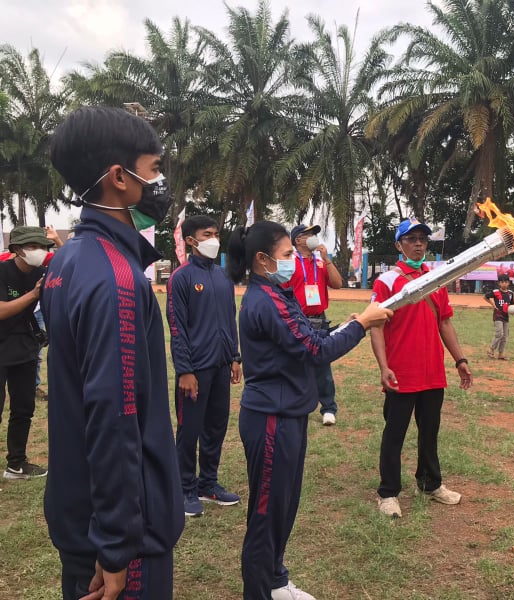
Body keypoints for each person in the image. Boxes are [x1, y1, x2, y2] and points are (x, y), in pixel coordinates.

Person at [42, 106, 184, 599]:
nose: (161, 181)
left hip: (81, 516)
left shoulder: (67, 261)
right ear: (120, 178)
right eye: (154, 168)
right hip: (121, 541)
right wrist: (118, 544)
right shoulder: (116, 279)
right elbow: (114, 416)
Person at [227, 220, 391, 600]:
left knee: (283, 508)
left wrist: (347, 326)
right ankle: (260, 591)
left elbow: (311, 337)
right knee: (266, 516)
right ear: (263, 260)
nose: (292, 262)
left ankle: (276, 580)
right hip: (271, 420)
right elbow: (315, 352)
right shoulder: (265, 300)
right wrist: (362, 326)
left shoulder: (279, 293)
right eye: (286, 255)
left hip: (289, 415)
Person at [370, 217, 473, 519]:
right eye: (411, 239)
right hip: (401, 373)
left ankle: (429, 484)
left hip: (432, 374)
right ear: (398, 245)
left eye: (423, 239)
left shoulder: (435, 279)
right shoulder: (387, 281)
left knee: (430, 431)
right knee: (395, 434)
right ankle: (388, 492)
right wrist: (383, 367)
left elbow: (445, 322)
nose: (418, 244)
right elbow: (376, 327)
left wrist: (460, 360)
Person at [167, 215, 242, 518]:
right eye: (206, 234)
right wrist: (185, 370)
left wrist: (235, 357)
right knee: (190, 430)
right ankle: (184, 488)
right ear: (190, 241)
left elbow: (229, 319)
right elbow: (177, 327)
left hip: (221, 365)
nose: (214, 239)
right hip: (195, 371)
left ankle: (207, 484)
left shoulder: (222, 276)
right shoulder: (181, 278)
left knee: (216, 428)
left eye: (216, 233)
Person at [0, 225, 54, 480]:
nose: (40, 252)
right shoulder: (2, 271)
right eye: (34, 247)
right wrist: (34, 293)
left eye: (43, 247)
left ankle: (16, 464)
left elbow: (74, 267)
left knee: (23, 408)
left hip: (26, 347)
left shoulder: (43, 271)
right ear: (17, 250)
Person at [285, 223, 343, 426]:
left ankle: (328, 408)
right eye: (308, 234)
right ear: (297, 240)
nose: (313, 238)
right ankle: (296, 404)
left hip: (319, 317)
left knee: (322, 364)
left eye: (313, 234)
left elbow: (337, 284)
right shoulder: (289, 262)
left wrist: (327, 259)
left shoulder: (320, 263)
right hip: (297, 318)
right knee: (295, 363)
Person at [484, 272, 514, 360]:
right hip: (498, 316)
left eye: (505, 282)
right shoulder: (495, 292)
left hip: (506, 317)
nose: (504, 284)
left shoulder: (510, 293)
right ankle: (491, 349)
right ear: (499, 283)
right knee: (499, 334)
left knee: (505, 336)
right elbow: (485, 297)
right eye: (502, 282)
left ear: (508, 283)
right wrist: (492, 304)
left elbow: (512, 306)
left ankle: (501, 354)